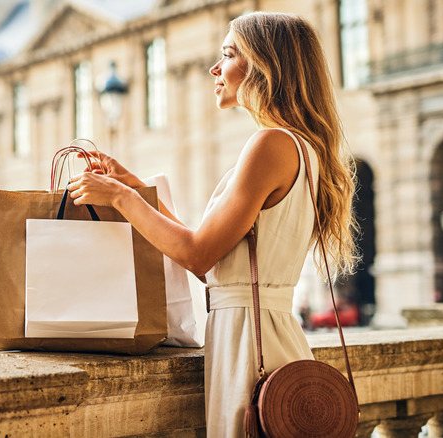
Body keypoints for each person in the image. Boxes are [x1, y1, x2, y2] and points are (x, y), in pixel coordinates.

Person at [67, 12, 357, 436]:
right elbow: (210, 259)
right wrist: (132, 185)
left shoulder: (269, 143)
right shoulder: (302, 148)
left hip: (249, 343)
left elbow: (198, 254)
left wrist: (120, 197)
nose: (214, 68)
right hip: (267, 334)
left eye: (228, 54)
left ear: (265, 65)